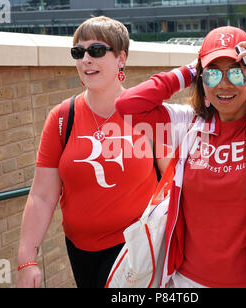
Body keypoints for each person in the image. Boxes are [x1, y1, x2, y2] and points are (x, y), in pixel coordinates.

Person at [114, 26, 246, 288]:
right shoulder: (187, 124)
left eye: (235, 72)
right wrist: (188, 72)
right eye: (213, 73)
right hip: (188, 281)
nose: (224, 84)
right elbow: (128, 105)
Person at [16, 16, 159, 288]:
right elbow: (42, 195)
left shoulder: (147, 114)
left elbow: (173, 184)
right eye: (78, 52)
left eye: (96, 51)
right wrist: (27, 260)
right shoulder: (61, 117)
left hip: (134, 248)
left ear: (121, 59)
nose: (85, 60)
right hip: (79, 250)